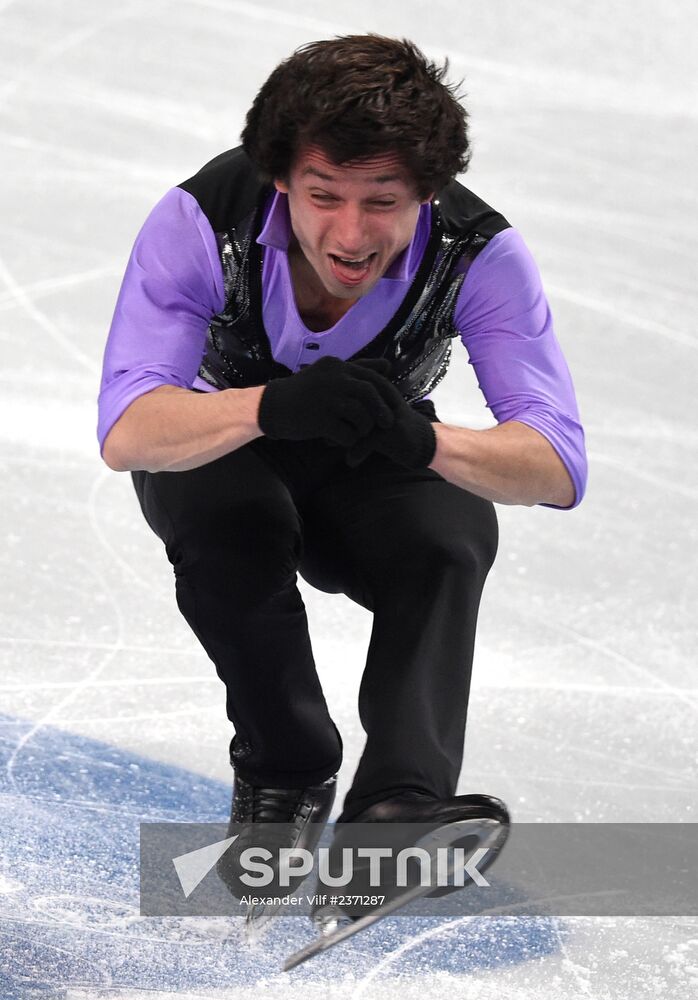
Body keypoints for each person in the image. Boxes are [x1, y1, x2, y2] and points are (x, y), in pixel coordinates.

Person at [97, 35, 587, 924]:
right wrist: (266, 409)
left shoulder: (479, 251)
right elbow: (131, 430)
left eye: (383, 202)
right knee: (228, 515)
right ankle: (285, 767)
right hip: (222, 443)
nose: (352, 235)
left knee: (452, 537)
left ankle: (397, 808)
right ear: (283, 178)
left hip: (375, 457)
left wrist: (424, 442)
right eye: (325, 196)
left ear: (426, 196)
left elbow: (554, 464)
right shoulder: (202, 221)